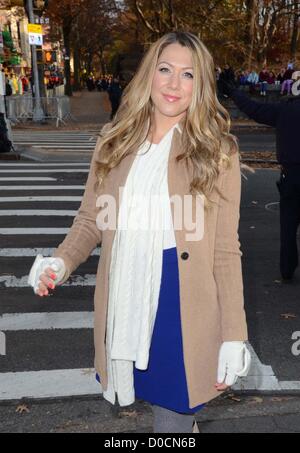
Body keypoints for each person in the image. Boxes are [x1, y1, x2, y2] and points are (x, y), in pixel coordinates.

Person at [27, 31, 251, 433]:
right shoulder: (114, 140)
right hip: (126, 293)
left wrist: (234, 334)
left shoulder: (218, 151)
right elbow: (91, 218)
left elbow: (224, 250)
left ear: (200, 86)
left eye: (188, 75)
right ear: (149, 73)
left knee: (173, 416)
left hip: (182, 299)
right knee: (164, 414)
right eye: (165, 69)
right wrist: (61, 261)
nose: (173, 84)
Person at [220, 78, 300, 282]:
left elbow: (253, 108)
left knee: (288, 224)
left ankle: (287, 267)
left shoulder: (285, 110)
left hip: (290, 174)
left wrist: (233, 92)